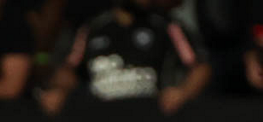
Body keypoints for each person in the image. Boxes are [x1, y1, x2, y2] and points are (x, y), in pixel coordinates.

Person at [38, 0, 210, 115]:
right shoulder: (93, 28)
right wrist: (59, 90)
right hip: (101, 121)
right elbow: (68, 70)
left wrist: (183, 92)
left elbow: (200, 68)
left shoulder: (165, 25)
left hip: (152, 118)